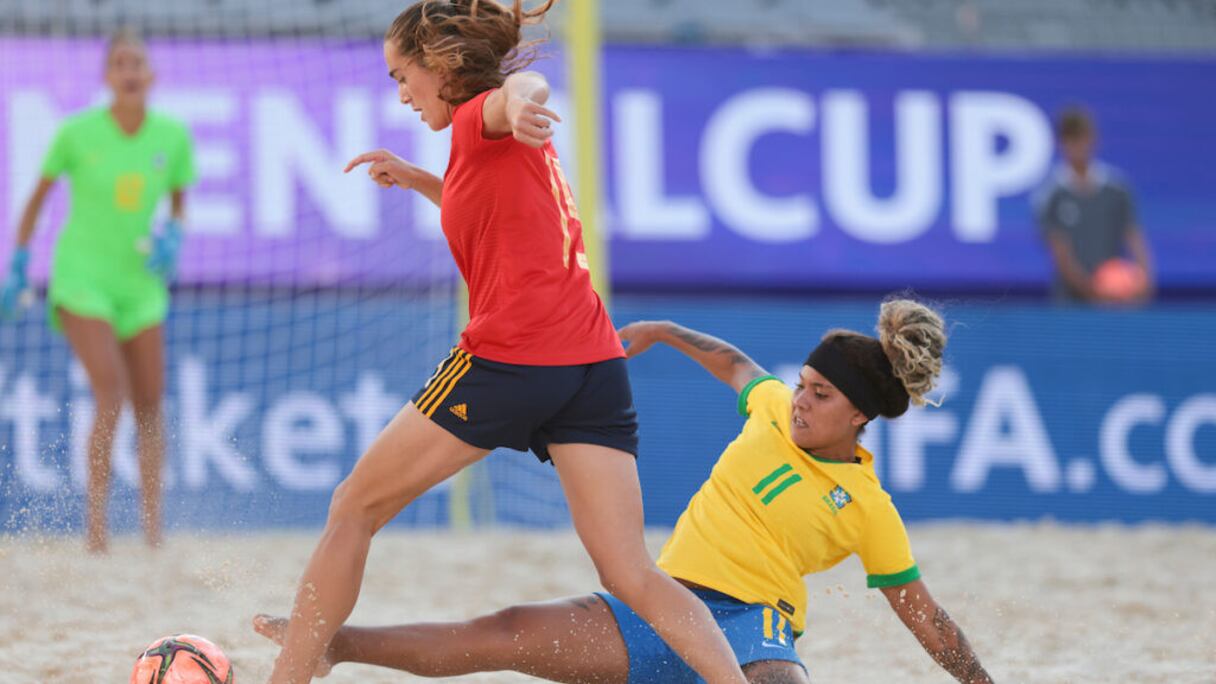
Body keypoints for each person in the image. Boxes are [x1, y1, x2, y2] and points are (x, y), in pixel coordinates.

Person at [258, 2, 748, 682]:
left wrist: (521, 103)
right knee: (630, 571)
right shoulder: (487, 152)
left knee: (353, 507)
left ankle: (288, 675)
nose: (400, 93)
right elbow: (489, 211)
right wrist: (418, 178)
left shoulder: (482, 113)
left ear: (442, 65)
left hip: (513, 359)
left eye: (404, 76)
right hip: (592, 363)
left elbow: (520, 92)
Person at [253, 298, 995, 684]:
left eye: (821, 395)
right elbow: (737, 365)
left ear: (860, 415)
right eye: (802, 384)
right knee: (506, 633)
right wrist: (669, 330)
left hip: (749, 625)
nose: (801, 401)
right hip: (658, 607)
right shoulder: (772, 411)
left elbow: (924, 617)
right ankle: (335, 645)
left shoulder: (870, 508)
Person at [0, 29, 195, 553]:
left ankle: (153, 530)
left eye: (138, 62)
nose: (130, 71)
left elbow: (178, 200)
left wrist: (173, 236)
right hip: (81, 277)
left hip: (140, 282)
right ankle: (96, 529)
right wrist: (19, 262)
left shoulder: (172, 136)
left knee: (151, 404)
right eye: (121, 63)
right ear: (107, 77)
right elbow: (36, 200)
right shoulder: (76, 132)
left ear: (151, 76)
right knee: (110, 394)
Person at [1034, 107, 1154, 304]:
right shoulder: (1050, 195)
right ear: (1060, 143)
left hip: (1117, 301)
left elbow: (1134, 237)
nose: (1077, 146)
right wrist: (1095, 291)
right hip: (1070, 302)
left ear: (1093, 139)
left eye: (1081, 138)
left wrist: (1143, 280)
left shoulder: (1117, 189)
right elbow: (1060, 254)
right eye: (1071, 139)